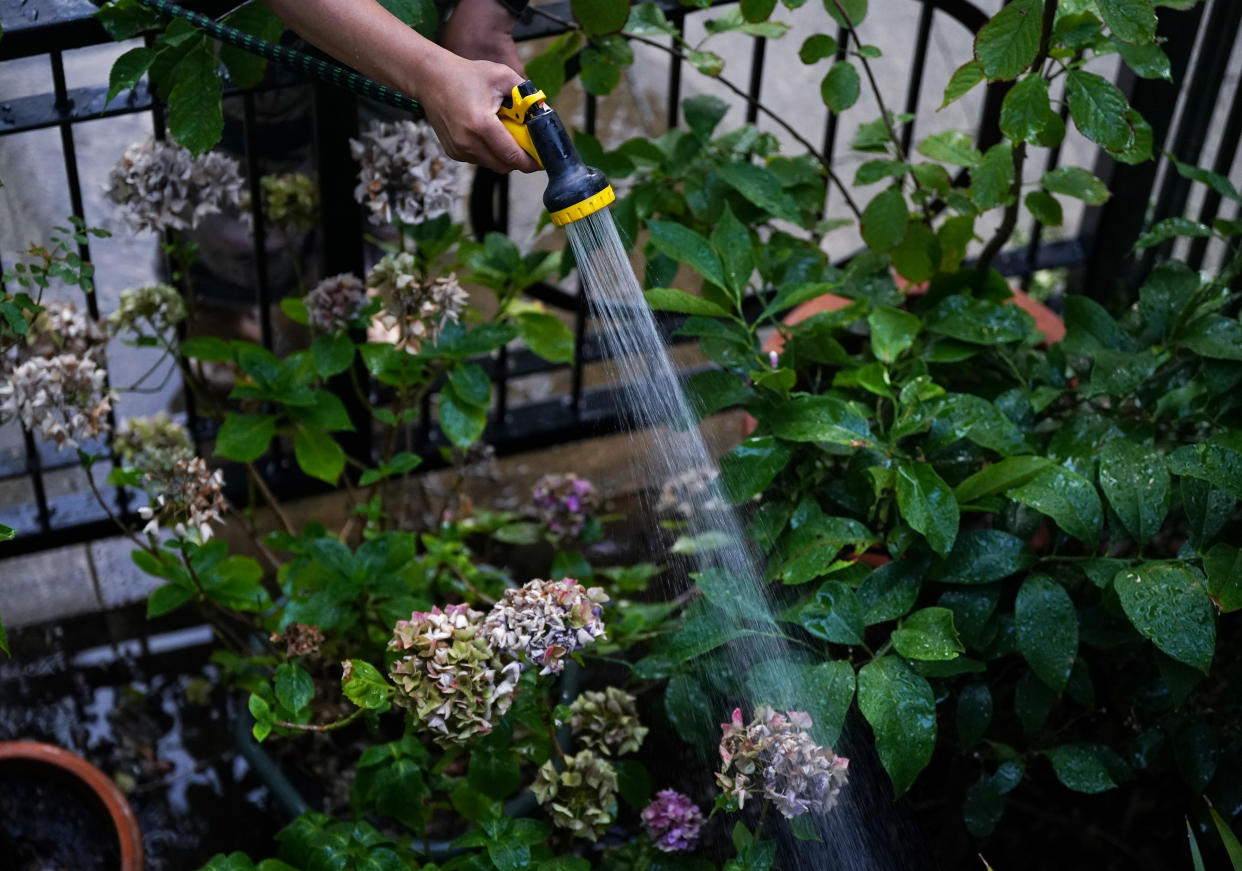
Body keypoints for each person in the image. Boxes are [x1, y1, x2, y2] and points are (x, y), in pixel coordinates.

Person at [263, 0, 542, 174]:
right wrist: (428, 74)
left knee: (391, 194)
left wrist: (492, 10)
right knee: (264, 207)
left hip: (424, 40)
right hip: (278, 38)